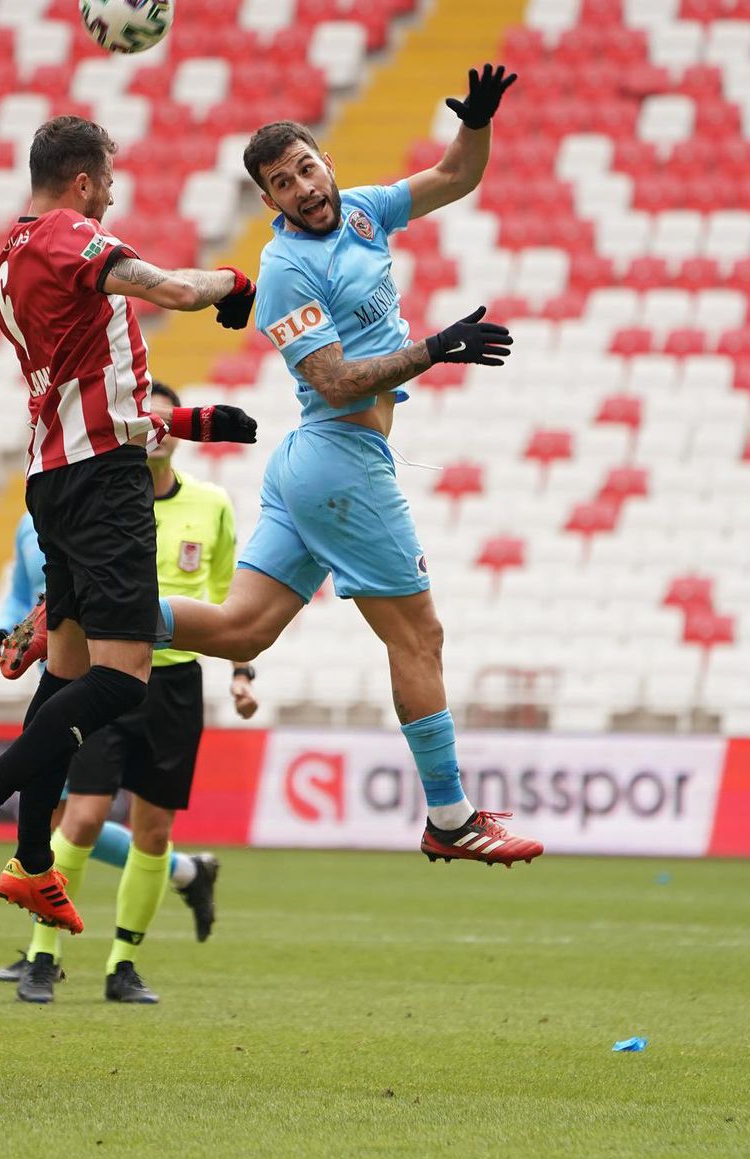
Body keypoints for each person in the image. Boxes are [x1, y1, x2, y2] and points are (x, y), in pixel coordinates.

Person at [154, 64, 545, 866]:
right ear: (269, 203)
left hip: (314, 463)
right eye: (281, 183)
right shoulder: (289, 270)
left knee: (238, 630)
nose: (301, 187)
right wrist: (435, 348)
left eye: (305, 168)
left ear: (324, 161)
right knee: (420, 635)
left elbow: (455, 175)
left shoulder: (364, 211)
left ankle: (97, 604)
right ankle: (451, 816)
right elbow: (331, 378)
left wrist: (476, 120)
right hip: (339, 462)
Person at [0, 115, 258, 933]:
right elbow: (174, 290)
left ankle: (34, 862)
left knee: (66, 675)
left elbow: (89, 385)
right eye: (106, 178)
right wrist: (231, 283)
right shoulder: (73, 235)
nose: (111, 192)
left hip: (54, 474)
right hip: (103, 483)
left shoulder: (7, 259)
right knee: (123, 674)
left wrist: (194, 422)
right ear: (80, 180)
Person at [0, 380, 259, 1004]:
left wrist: (243, 673)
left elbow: (225, 599)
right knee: (79, 818)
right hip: (107, 677)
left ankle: (123, 965)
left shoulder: (212, 505)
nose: (157, 433)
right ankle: (42, 955)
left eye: (167, 422)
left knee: (153, 832)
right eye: (147, 422)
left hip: (175, 682)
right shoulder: (108, 501)